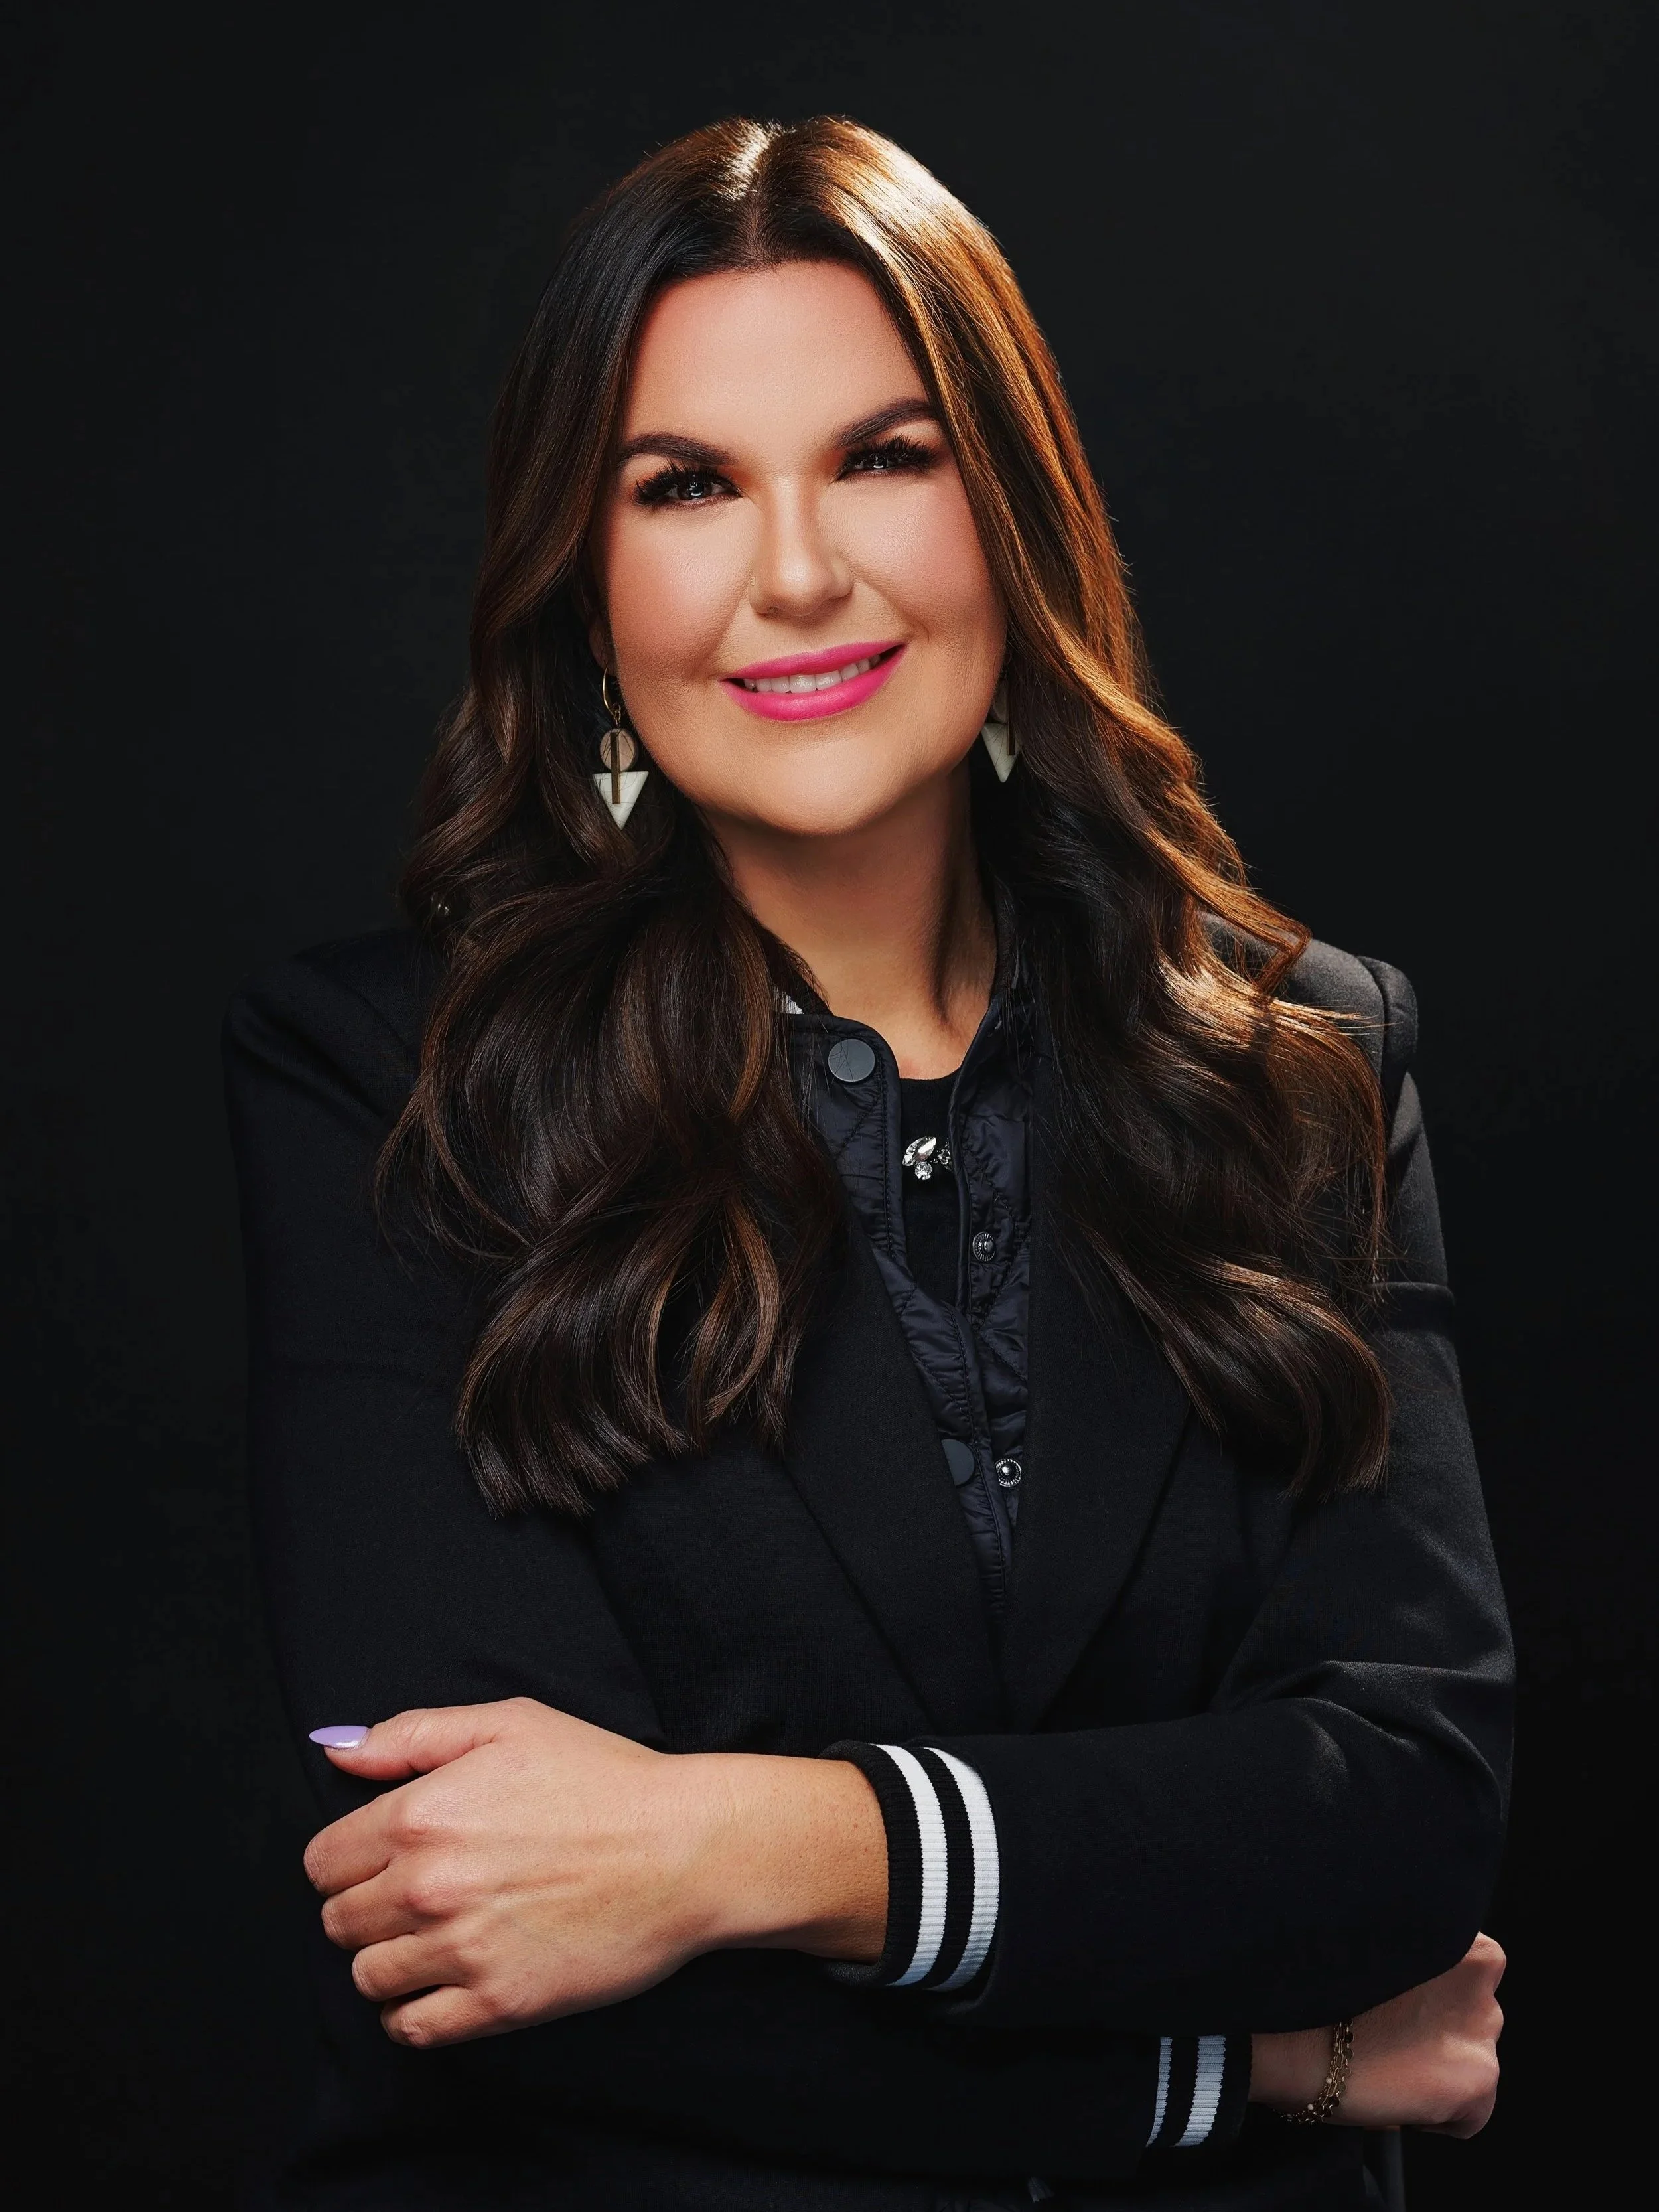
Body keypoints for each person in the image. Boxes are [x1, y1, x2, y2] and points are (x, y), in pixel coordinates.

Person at [226, 117, 1512, 2211]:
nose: (796, 571)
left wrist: (745, 1846)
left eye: (884, 458)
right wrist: (1237, 2072)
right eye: (686, 485)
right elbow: (481, 1938)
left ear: (1009, 511)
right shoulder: (384, 1080)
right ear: (583, 569)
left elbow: (1399, 1811)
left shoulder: (1306, 1060)